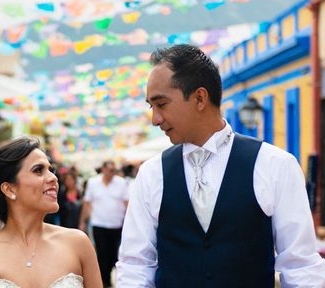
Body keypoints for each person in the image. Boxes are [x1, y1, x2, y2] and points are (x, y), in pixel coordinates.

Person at [117, 44, 325, 287]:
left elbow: (300, 267)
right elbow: (135, 267)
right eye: (151, 107)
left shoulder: (276, 165)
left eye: (161, 104)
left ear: (199, 98)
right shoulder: (152, 173)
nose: (155, 119)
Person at [0, 137, 102, 288]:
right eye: (38, 170)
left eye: (50, 170)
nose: (53, 178)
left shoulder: (78, 244)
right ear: (9, 189)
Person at [79, 160, 129, 287]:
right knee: (102, 254)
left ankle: (111, 277)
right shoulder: (93, 182)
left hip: (116, 225)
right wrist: (82, 222)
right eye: (110, 170)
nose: (112, 173)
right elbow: (87, 202)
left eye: (114, 170)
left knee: (114, 254)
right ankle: (104, 281)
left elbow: (126, 203)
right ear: (104, 170)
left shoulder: (121, 183)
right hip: (99, 224)